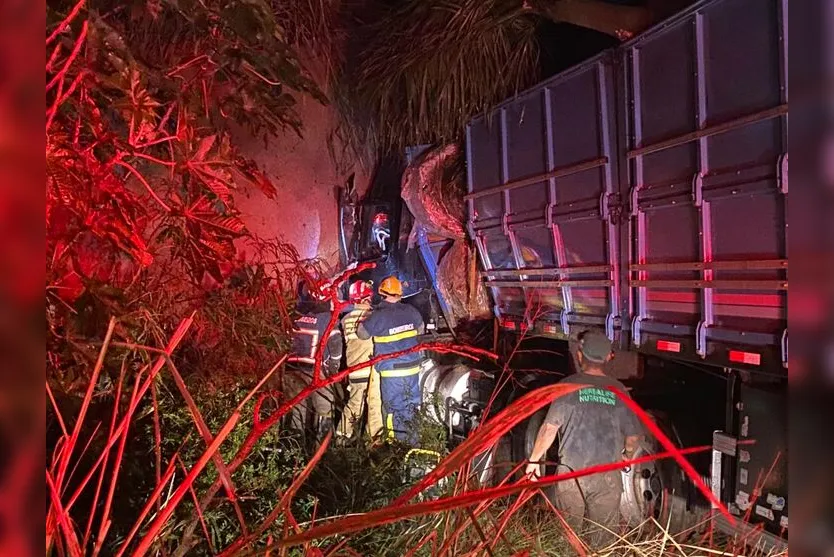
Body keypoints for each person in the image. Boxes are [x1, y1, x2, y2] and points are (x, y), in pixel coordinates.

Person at [525, 329, 642, 546]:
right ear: (608, 357)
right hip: (606, 476)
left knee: (567, 539)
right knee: (603, 541)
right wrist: (626, 456)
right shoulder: (619, 391)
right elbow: (634, 436)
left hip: (570, 475)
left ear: (580, 355)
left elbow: (549, 428)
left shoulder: (567, 387)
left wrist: (533, 461)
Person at [356, 275, 424, 446]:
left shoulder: (378, 316)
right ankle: (414, 445)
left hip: (392, 371)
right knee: (411, 406)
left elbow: (361, 334)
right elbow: (420, 330)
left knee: (393, 410)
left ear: (381, 293)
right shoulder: (412, 311)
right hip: (413, 368)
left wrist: (365, 317)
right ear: (400, 294)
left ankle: (396, 447)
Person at [285, 281, 344, 441]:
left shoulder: (294, 314)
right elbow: (336, 346)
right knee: (325, 408)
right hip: (316, 372)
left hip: (291, 369)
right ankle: (320, 453)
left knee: (296, 411)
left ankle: (294, 452)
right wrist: (334, 368)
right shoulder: (327, 319)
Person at [337, 280, 383, 441]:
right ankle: (374, 439)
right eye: (368, 297)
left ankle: (343, 435)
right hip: (369, 367)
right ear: (363, 298)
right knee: (374, 404)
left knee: (355, 403)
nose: (370, 300)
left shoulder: (346, 318)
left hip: (354, 368)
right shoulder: (370, 316)